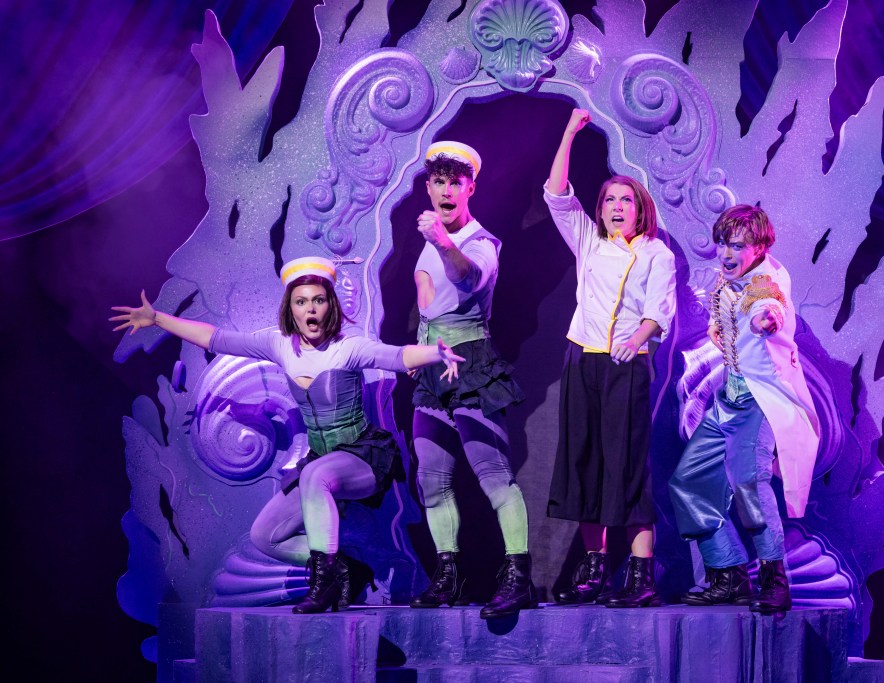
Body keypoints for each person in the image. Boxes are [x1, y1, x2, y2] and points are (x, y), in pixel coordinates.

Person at [111, 256, 464, 614]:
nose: (310, 309)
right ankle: (344, 568)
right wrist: (157, 318)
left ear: (329, 305)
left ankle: (323, 584)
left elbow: (398, 356)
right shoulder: (280, 345)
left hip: (363, 459)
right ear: (291, 309)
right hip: (319, 465)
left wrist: (436, 352)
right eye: (301, 301)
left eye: (318, 300)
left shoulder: (348, 346)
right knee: (265, 536)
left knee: (315, 474)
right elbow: (216, 339)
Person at [544, 109, 677, 608]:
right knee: (584, 462)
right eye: (610, 200)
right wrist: (568, 133)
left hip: (627, 366)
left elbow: (659, 311)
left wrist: (637, 336)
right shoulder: (589, 242)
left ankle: (641, 576)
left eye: (627, 200)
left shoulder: (657, 254)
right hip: (582, 361)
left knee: (627, 466)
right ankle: (595, 568)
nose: (617, 207)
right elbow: (557, 193)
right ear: (600, 210)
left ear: (640, 210)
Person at [668, 204, 820, 614]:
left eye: (737, 245)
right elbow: (726, 306)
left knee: (749, 485)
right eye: (722, 244)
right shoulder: (730, 278)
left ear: (759, 247)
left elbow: (769, 306)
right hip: (728, 399)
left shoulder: (766, 283)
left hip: (758, 401)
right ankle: (728, 573)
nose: (726, 253)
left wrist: (765, 322)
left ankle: (775, 578)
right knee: (688, 482)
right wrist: (719, 326)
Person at [408, 140, 533, 620]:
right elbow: (429, 307)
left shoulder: (481, 242)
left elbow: (466, 278)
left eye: (455, 183)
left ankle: (518, 577)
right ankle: (447, 576)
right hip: (433, 369)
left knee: (494, 477)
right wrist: (420, 350)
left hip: (472, 364)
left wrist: (443, 240)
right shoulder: (430, 239)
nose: (446, 191)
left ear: (470, 189)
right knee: (431, 479)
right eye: (439, 182)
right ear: (429, 186)